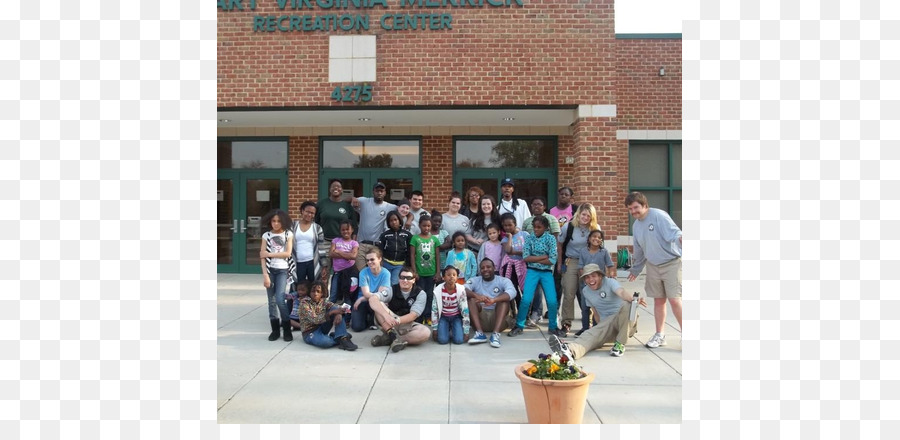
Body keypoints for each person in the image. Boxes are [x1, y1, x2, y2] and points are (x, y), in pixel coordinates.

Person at [548, 264, 647, 358]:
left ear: (600, 276)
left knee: (628, 304)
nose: (590, 280)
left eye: (593, 276)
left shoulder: (610, 282)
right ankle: (569, 351)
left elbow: (621, 292)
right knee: (589, 334)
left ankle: (620, 344)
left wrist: (632, 299)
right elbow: (595, 313)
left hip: (624, 325)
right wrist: (599, 330)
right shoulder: (586, 291)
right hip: (607, 326)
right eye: (587, 277)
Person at [625, 191, 682, 349]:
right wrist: (636, 269)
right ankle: (660, 335)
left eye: (636, 207)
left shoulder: (658, 216)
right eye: (630, 209)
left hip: (671, 263)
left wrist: (681, 239)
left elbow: (674, 233)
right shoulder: (636, 226)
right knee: (658, 300)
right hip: (653, 266)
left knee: (675, 299)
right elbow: (639, 250)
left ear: (644, 205)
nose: (633, 211)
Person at [508, 216, 561, 337]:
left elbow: (552, 259)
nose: (536, 229)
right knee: (526, 299)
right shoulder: (529, 238)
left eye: (539, 227)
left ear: (546, 228)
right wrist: (544, 257)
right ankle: (519, 325)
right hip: (532, 271)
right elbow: (526, 257)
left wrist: (535, 259)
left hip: (546, 272)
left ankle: (553, 327)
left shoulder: (551, 238)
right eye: (534, 227)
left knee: (552, 301)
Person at [557, 202, 600, 336]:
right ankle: (566, 323)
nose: (585, 218)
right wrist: (559, 263)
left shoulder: (595, 228)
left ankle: (588, 323)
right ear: (578, 214)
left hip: (588, 262)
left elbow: (599, 246)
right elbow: (559, 244)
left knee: (586, 293)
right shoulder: (568, 227)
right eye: (583, 214)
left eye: (589, 215)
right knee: (569, 291)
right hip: (572, 261)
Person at [367, 267, 432, 353]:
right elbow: (372, 299)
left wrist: (398, 320)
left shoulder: (420, 293)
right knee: (379, 305)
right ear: (399, 279)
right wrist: (386, 316)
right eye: (402, 277)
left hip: (408, 325)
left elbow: (413, 315)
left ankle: (393, 339)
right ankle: (391, 334)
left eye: (408, 278)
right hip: (389, 323)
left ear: (414, 280)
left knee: (425, 332)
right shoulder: (392, 289)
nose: (405, 280)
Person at [259, 209, 295, 342]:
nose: (276, 223)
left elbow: (287, 253)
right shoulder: (266, 235)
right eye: (273, 221)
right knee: (271, 301)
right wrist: (265, 275)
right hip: (270, 270)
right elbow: (262, 257)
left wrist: (269, 254)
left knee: (280, 299)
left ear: (283, 221)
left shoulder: (288, 234)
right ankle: (274, 330)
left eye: (279, 221)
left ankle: (286, 328)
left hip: (282, 270)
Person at [466, 258, 517, 348]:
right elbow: (462, 290)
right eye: (482, 268)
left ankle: (495, 335)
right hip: (480, 319)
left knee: (503, 300)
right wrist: (476, 295)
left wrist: (494, 300)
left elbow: (512, 292)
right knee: (471, 299)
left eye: (488, 267)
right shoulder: (474, 280)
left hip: (498, 319)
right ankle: (480, 334)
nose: (485, 269)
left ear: (494, 268)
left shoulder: (503, 280)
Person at [315, 179, 357, 283]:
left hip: (343, 244)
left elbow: (354, 227)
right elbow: (315, 224)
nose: (336, 188)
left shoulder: (347, 206)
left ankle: (339, 298)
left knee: (343, 273)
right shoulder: (322, 204)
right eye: (333, 186)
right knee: (323, 272)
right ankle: (322, 297)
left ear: (342, 190)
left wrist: (352, 245)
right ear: (330, 189)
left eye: (338, 186)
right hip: (325, 242)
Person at [575, 229, 616, 334]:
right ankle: (585, 328)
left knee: (597, 306)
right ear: (589, 238)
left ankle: (596, 327)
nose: (596, 239)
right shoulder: (583, 251)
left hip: (599, 285)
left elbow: (610, 265)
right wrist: (584, 279)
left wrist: (610, 276)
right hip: (586, 284)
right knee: (585, 306)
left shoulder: (604, 252)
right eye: (594, 236)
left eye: (599, 238)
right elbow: (580, 267)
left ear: (601, 241)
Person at [298, 281, 358, 351]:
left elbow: (336, 307)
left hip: (322, 327)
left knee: (336, 309)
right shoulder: (304, 303)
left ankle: (343, 338)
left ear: (322, 293)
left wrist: (338, 313)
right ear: (309, 292)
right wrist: (331, 313)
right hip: (310, 332)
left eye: (318, 291)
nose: (315, 294)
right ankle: (339, 337)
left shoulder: (323, 301)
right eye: (313, 291)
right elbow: (315, 320)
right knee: (326, 343)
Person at [352, 182, 397, 271]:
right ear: (373, 192)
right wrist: (353, 198)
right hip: (361, 245)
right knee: (361, 272)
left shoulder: (389, 206)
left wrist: (410, 218)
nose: (379, 193)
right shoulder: (364, 201)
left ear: (385, 193)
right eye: (377, 190)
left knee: (375, 272)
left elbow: (405, 210)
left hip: (376, 245)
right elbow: (347, 200)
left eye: (381, 191)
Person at [409, 215, 443, 323]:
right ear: (419, 225)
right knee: (420, 295)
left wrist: (438, 272)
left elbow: (437, 257)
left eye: (428, 226)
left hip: (431, 273)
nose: (426, 228)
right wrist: (414, 271)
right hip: (420, 273)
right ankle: (419, 316)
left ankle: (428, 316)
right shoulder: (415, 238)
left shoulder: (434, 239)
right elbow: (412, 256)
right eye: (424, 226)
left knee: (429, 295)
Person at [499, 213, 530, 324]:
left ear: (515, 224)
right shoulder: (504, 239)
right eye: (505, 226)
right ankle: (515, 313)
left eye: (510, 225)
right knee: (513, 290)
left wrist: (515, 252)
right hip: (510, 267)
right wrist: (510, 237)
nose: (507, 228)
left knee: (525, 290)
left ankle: (526, 314)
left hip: (523, 266)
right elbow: (508, 250)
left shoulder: (524, 234)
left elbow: (528, 251)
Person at [351, 248, 392, 332]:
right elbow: (366, 293)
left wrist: (362, 298)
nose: (369, 262)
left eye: (372, 259)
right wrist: (364, 298)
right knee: (357, 327)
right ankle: (368, 318)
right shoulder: (363, 272)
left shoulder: (386, 273)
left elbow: (380, 295)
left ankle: (372, 318)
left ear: (380, 259)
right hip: (364, 302)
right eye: (367, 260)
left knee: (382, 305)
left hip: (374, 301)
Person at [431, 266, 471, 345]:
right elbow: (434, 310)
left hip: (456, 317)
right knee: (442, 340)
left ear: (457, 277)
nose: (451, 277)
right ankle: (446, 328)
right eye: (448, 275)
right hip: (444, 317)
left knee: (459, 340)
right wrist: (435, 329)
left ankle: (454, 328)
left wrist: (466, 331)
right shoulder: (438, 290)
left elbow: (465, 311)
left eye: (454, 275)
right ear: (443, 277)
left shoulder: (461, 290)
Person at [291, 201, 325, 285]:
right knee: (297, 287)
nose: (309, 215)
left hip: (312, 263)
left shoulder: (317, 228)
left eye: (312, 213)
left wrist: (324, 265)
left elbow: (321, 248)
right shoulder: (292, 226)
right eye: (307, 211)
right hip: (297, 262)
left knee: (314, 286)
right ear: (302, 211)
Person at [328, 220, 359, 304]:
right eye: (343, 230)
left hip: (349, 273)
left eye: (347, 229)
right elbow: (331, 253)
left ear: (352, 230)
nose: (345, 231)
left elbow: (353, 256)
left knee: (347, 296)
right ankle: (329, 313)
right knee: (333, 295)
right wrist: (347, 255)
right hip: (337, 273)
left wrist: (338, 252)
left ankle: (347, 315)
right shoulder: (335, 241)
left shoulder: (354, 243)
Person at [378, 210, 413, 285]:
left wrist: (408, 264)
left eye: (395, 220)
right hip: (386, 263)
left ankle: (393, 297)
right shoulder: (384, 235)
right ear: (388, 222)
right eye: (391, 221)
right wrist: (380, 262)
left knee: (394, 283)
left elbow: (410, 251)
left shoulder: (407, 235)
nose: (393, 222)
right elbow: (380, 250)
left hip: (399, 264)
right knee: (385, 283)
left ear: (399, 220)